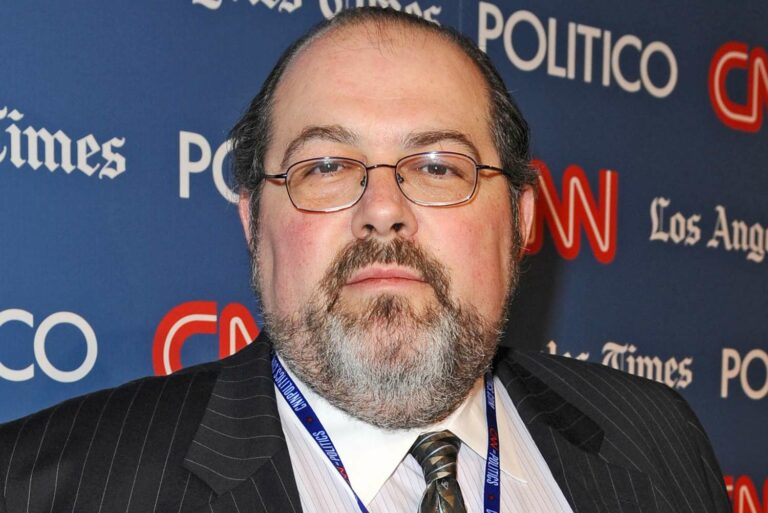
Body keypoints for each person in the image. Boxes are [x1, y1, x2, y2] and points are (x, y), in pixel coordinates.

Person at [0, 7, 730, 513]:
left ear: (521, 221)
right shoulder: (46, 486)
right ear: (254, 223)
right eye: (325, 166)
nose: (382, 208)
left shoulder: (656, 438)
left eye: (438, 166)